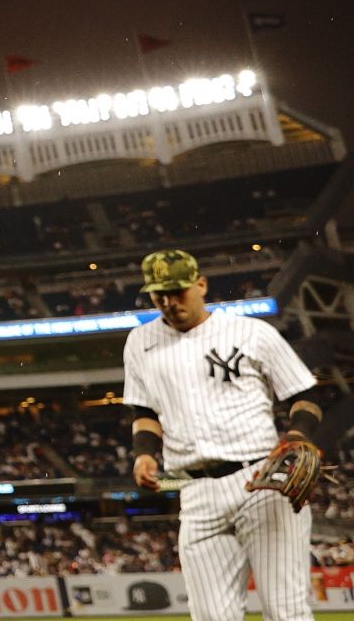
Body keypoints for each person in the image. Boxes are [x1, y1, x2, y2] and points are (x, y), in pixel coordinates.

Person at [123, 248, 324, 621]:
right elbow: (145, 411)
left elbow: (304, 395)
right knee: (212, 617)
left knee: (286, 611)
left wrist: (299, 434)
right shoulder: (140, 342)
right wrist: (144, 454)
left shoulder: (250, 332)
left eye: (177, 291)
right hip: (195, 491)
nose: (168, 302)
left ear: (201, 284)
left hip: (261, 479)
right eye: (158, 295)